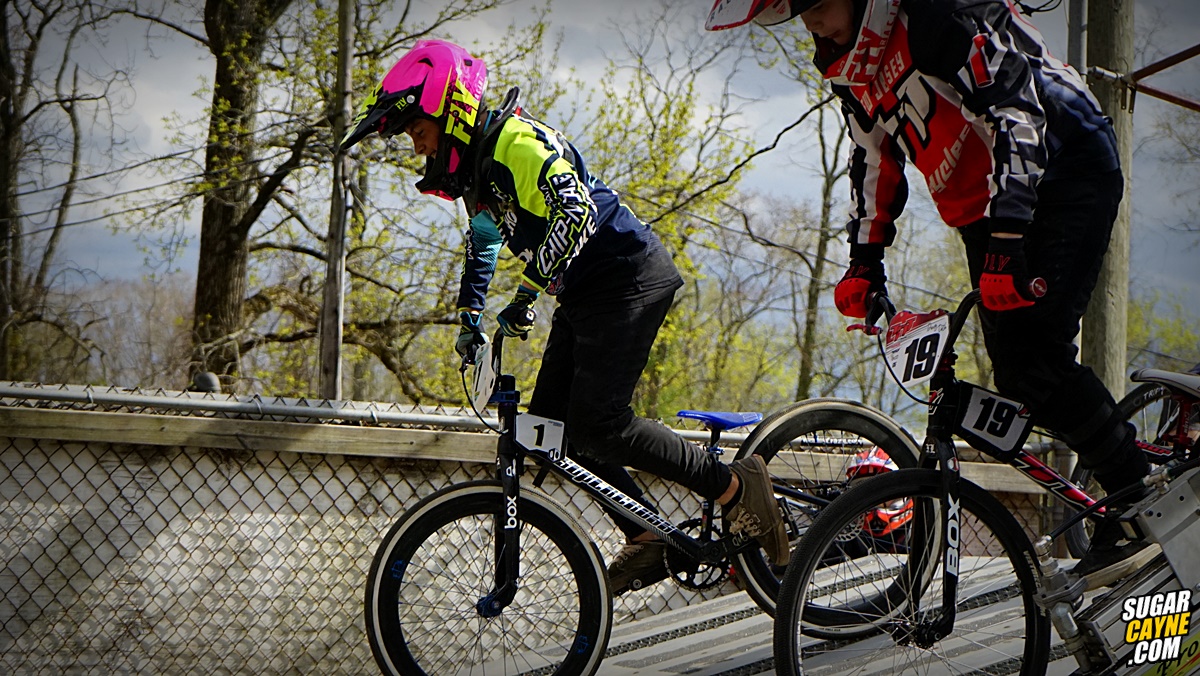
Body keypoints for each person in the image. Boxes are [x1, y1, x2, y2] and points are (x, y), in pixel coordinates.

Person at [705, 0, 1155, 587]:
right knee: (1018, 375)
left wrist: (1008, 241)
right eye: (794, 13)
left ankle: (1136, 502)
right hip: (984, 204)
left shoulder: (934, 15)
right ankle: (1125, 479)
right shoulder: (849, 64)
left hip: (1061, 163)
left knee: (1037, 362)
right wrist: (864, 262)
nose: (808, 22)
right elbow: (873, 158)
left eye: (816, 3)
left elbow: (1018, 112)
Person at [338, 39, 789, 595]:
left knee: (602, 424)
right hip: (584, 291)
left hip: (627, 274)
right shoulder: (479, 169)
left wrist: (526, 292)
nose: (417, 145)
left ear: (446, 107)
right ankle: (648, 535)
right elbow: (484, 239)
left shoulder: (513, 143)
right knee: (552, 431)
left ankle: (734, 488)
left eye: (416, 129)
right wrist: (469, 317)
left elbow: (575, 212)